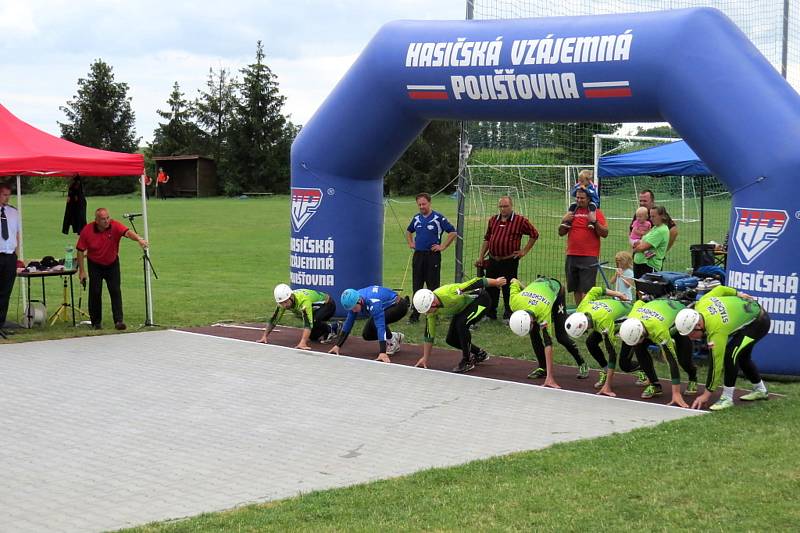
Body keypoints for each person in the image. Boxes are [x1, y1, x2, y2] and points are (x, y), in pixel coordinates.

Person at [675, 286, 770, 411]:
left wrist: (706, 394)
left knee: (731, 354)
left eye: (691, 333)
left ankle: (727, 398)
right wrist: (737, 293)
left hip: (759, 322)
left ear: (698, 325)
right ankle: (760, 390)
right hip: (750, 312)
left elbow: (716, 366)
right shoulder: (701, 303)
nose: (691, 338)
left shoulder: (716, 332)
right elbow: (720, 289)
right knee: (742, 356)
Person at [412, 276, 506, 373]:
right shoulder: (431, 312)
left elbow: (476, 282)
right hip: (463, 308)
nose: (427, 313)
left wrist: (496, 282)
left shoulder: (450, 293)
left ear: (434, 303)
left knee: (461, 324)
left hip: (481, 300)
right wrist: (425, 358)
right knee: (451, 339)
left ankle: (467, 361)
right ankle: (479, 354)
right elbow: (429, 335)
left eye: (427, 310)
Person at [508, 277, 590, 388]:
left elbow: (548, 343)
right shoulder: (514, 302)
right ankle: (542, 367)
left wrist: (550, 378)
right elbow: (514, 281)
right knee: (534, 334)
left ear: (531, 321)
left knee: (561, 336)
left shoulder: (543, 311)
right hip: (537, 293)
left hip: (556, 290)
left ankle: (582, 363)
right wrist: (525, 290)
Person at [76, 208, 148, 330]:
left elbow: (128, 232)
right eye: (103, 219)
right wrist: (82, 271)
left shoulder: (114, 225)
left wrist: (139, 239)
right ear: (96, 220)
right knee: (95, 292)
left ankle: (119, 321)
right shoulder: (87, 230)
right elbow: (80, 250)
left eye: (107, 218)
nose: (106, 221)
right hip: (95, 264)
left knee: (115, 290)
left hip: (112, 263)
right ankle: (96, 322)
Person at [618, 297, 699, 407]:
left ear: (642, 334)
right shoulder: (632, 317)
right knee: (639, 348)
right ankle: (655, 384)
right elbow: (639, 302)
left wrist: (676, 393)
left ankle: (693, 377)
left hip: (679, 317)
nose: (635, 343)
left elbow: (671, 360)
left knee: (683, 361)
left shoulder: (659, 331)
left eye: (637, 340)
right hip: (656, 312)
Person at [475, 196, 538, 320]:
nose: (503, 209)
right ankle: (490, 313)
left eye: (505, 206)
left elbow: (534, 234)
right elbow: (487, 238)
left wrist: (524, 251)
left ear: (511, 206)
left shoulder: (520, 221)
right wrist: (481, 256)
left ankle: (509, 314)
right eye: (501, 206)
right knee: (491, 287)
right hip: (493, 259)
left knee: (508, 288)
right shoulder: (493, 220)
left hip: (509, 261)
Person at [563, 285, 633, 391]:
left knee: (625, 364)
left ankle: (644, 371)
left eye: (585, 331)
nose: (586, 332)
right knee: (590, 342)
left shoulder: (603, 323)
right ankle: (605, 370)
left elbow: (612, 353)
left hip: (629, 319)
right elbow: (595, 290)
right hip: (606, 316)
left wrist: (607, 386)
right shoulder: (581, 309)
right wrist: (618, 294)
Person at [406, 193, 456, 324]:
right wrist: (411, 243)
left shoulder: (438, 218)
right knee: (417, 285)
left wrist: (443, 246)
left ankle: (434, 314)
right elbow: (409, 231)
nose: (422, 206)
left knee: (433, 285)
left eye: (424, 204)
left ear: (429, 203)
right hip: (418, 256)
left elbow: (452, 232)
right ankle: (415, 314)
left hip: (432, 256)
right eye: (419, 204)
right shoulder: (416, 218)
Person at [328, 286, 409, 363]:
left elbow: (380, 326)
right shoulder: (355, 299)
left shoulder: (373, 302)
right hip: (385, 307)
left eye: (354, 308)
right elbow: (348, 323)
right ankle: (393, 337)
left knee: (375, 323)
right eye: (351, 309)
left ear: (359, 301)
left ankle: (392, 342)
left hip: (399, 306)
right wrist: (337, 346)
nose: (354, 311)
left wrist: (382, 352)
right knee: (367, 335)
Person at [559, 188, 608, 306]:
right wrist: (563, 220)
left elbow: (605, 233)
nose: (579, 200)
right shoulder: (572, 211)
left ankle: (587, 314)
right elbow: (561, 232)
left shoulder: (596, 212)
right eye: (577, 197)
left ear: (589, 199)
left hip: (589, 256)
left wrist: (595, 222)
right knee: (576, 288)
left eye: (582, 198)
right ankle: (579, 313)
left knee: (587, 290)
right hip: (571, 255)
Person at [258, 284, 338, 349]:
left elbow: (308, 323)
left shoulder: (303, 301)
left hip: (328, 305)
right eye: (281, 303)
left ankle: (333, 328)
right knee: (313, 337)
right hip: (315, 309)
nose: (284, 305)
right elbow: (274, 320)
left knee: (314, 321)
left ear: (291, 297)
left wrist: (302, 342)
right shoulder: (282, 303)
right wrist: (264, 336)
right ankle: (326, 329)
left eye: (285, 302)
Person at [0, 183, 21, 333]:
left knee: (6, 291)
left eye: (9, 195)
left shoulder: (14, 212)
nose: (7, 198)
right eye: (4, 195)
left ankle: (1, 323)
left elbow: (17, 233)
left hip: (9, 256)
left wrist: (17, 252)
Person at [632, 205, 671, 278]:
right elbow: (642, 241)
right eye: (650, 216)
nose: (651, 219)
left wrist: (635, 249)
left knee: (647, 289)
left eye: (653, 216)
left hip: (649, 266)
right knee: (639, 288)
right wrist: (639, 244)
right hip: (641, 264)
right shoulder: (655, 227)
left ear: (662, 216)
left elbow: (642, 247)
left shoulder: (661, 231)